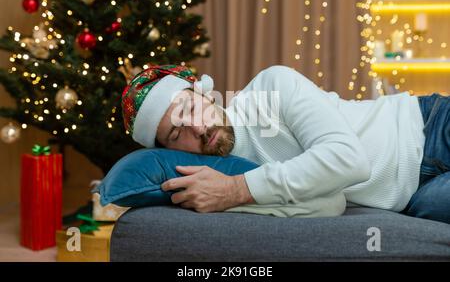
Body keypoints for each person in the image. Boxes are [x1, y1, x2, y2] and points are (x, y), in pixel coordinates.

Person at [121, 64, 450, 224]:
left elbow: (350, 160)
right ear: (170, 150)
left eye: (191, 108)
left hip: (427, 125)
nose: (198, 127)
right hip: (417, 198)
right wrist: (229, 196)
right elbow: (330, 204)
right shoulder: (217, 176)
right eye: (178, 134)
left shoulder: (271, 87)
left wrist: (236, 190)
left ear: (205, 92)